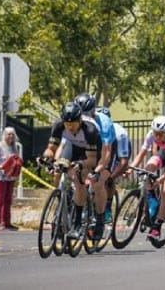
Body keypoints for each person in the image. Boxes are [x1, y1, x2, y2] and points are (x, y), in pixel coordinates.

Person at [41, 102, 102, 240]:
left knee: (79, 180)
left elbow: (91, 160)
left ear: (80, 120)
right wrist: (46, 158)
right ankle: (63, 198)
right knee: (58, 169)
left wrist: (79, 165)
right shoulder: (58, 126)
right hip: (72, 147)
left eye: (73, 124)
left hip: (89, 153)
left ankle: (78, 223)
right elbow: (51, 149)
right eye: (67, 125)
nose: (70, 127)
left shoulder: (90, 131)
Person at [74, 93, 115, 233]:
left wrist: (97, 171)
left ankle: (100, 219)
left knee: (98, 183)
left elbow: (106, 153)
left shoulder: (103, 123)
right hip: (86, 146)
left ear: (93, 111)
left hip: (104, 149)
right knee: (77, 178)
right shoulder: (74, 120)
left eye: (87, 114)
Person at [0, 127, 22, 230]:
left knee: (8, 200)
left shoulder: (14, 147)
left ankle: (6, 222)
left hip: (10, 177)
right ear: (4, 135)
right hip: (0, 177)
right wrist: (3, 167)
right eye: (8, 134)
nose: (11, 136)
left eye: (12, 134)